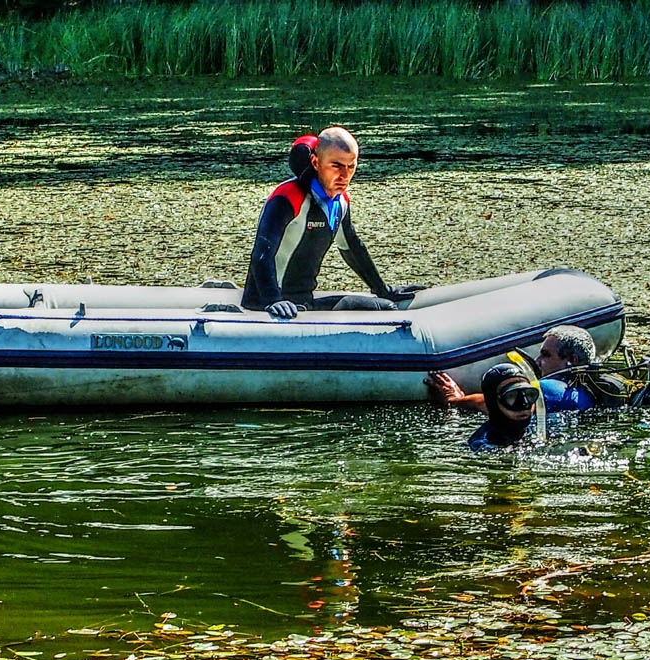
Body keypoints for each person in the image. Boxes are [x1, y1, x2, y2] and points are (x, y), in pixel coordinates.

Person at [242, 127, 422, 319]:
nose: (344, 176)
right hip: (266, 307)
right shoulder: (288, 197)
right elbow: (262, 253)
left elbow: (352, 248)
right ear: (315, 162)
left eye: (351, 167)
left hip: (304, 304)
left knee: (384, 307)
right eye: (336, 166)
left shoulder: (341, 202)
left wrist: (383, 290)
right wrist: (273, 300)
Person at [424, 325, 598, 414]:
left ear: (572, 360)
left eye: (546, 355)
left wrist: (455, 399)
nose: (537, 361)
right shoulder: (593, 389)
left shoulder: (550, 388)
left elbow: (492, 403)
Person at [466, 364, 539, 451]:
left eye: (528, 394)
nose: (524, 403)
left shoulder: (541, 425)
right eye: (511, 396)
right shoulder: (482, 445)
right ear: (493, 403)